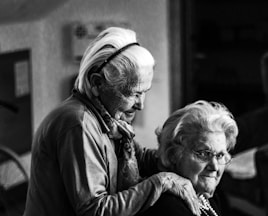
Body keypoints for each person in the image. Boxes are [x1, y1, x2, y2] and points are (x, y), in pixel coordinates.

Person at [23, 27, 201, 216]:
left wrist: (185, 156)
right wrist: (161, 182)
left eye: (145, 92)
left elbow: (140, 158)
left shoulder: (106, 118)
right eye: (133, 94)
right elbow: (95, 210)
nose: (141, 105)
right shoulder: (79, 124)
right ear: (97, 82)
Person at [140, 100, 238, 216]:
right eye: (203, 154)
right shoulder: (168, 206)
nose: (215, 166)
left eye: (220, 155)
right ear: (173, 155)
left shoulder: (208, 198)